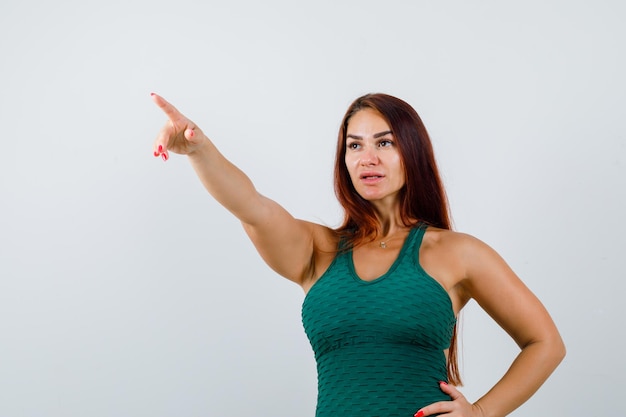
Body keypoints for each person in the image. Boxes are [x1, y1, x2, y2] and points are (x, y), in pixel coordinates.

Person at [150, 92, 565, 417]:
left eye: (384, 142)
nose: (368, 158)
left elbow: (545, 342)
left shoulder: (457, 253)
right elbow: (251, 205)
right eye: (355, 145)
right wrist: (198, 149)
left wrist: (480, 412)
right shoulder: (318, 250)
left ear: (411, 153)